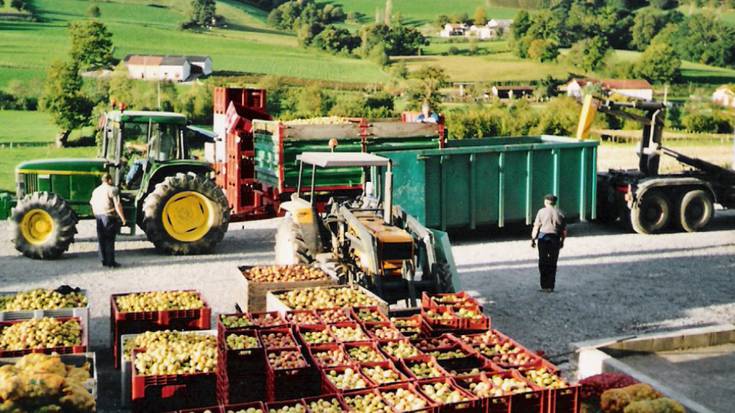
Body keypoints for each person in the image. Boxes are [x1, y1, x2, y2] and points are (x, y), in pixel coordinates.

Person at [531, 194, 567, 292]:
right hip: (555, 238)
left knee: (543, 261)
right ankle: (551, 286)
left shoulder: (541, 212)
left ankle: (544, 285)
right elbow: (564, 231)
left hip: (543, 238)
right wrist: (562, 241)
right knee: (552, 262)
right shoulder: (560, 213)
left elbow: (536, 227)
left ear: (545, 202)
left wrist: (533, 239)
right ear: (555, 202)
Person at [90, 173, 126, 268]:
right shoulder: (112, 189)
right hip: (108, 216)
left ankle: (103, 260)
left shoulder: (96, 190)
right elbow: (117, 205)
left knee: (101, 239)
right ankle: (111, 262)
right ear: (109, 180)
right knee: (109, 239)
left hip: (98, 216)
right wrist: (122, 218)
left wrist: (95, 214)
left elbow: (92, 203)